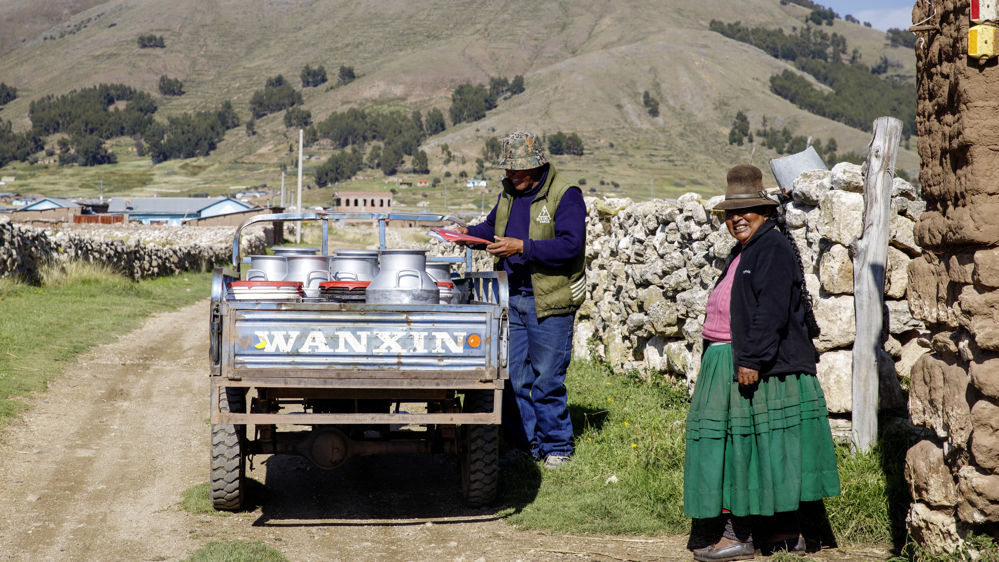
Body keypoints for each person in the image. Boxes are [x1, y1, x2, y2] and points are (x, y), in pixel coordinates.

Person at [683, 164, 840, 561]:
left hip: (752, 365)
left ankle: (742, 533)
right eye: (730, 212)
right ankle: (785, 532)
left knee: (744, 451)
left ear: (766, 212)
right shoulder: (749, 249)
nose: (736, 218)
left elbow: (768, 310)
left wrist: (750, 359)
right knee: (757, 450)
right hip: (730, 362)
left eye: (746, 209)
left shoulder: (770, 249)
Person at [456, 130, 586, 469]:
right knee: (513, 376)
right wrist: (467, 236)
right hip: (511, 297)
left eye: (518, 170)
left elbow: (571, 246)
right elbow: (490, 229)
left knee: (547, 378)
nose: (511, 175)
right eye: (508, 170)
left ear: (538, 165)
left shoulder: (566, 195)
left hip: (550, 301)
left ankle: (558, 448)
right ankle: (527, 445)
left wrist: (522, 247)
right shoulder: (509, 193)